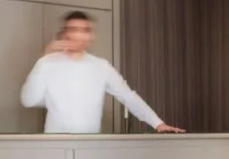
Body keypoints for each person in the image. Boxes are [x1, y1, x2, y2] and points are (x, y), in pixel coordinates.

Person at [21, 11, 184, 134]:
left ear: (91, 35)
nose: (79, 35)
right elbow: (29, 100)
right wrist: (43, 61)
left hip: (91, 144)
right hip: (55, 144)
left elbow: (128, 96)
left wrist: (158, 123)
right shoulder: (47, 63)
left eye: (85, 30)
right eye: (74, 29)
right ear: (65, 33)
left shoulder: (101, 66)